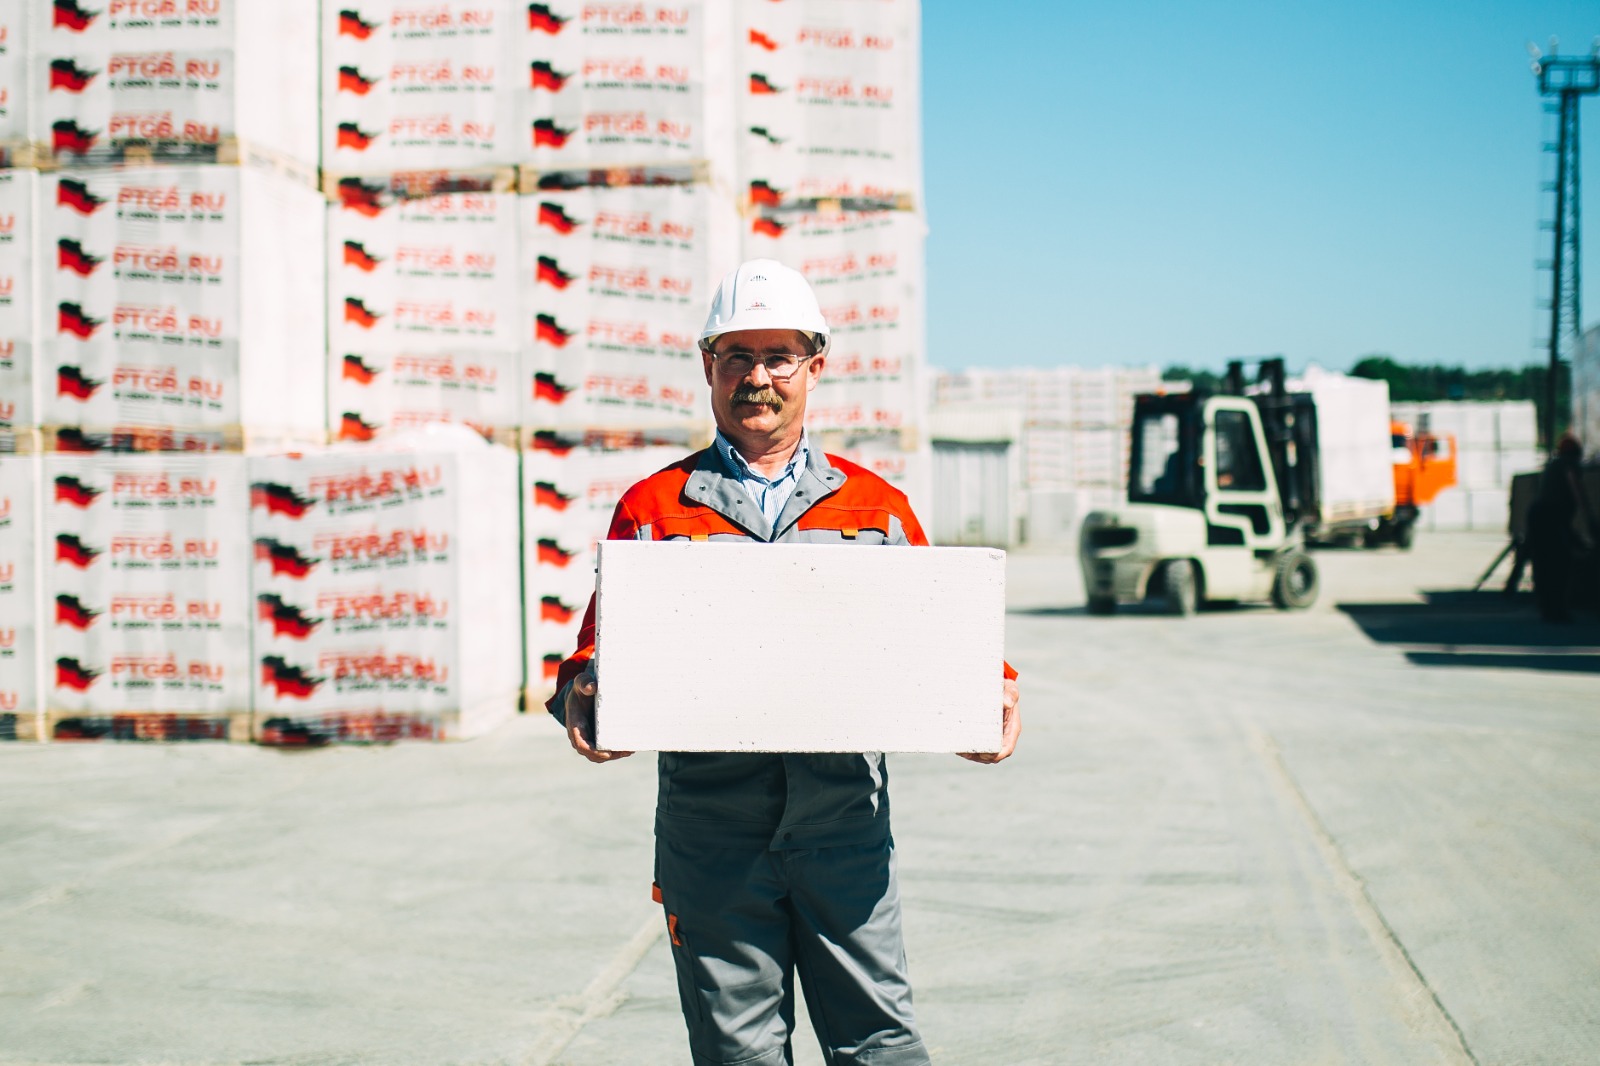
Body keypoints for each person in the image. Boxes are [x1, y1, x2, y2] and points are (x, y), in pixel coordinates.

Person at [546, 259, 1022, 1066]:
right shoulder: (653, 509)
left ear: (814, 368)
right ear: (708, 366)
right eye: (737, 356)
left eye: (779, 358)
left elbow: (944, 637)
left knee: (880, 1043)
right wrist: (585, 698)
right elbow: (596, 652)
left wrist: (989, 698)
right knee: (739, 1054)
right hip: (712, 835)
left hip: (844, 827)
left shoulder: (876, 508)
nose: (757, 378)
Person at [1527, 433, 1596, 622]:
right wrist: (1589, 516)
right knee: (1558, 564)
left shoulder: (1554, 464)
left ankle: (1548, 608)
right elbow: (1575, 487)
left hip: (1540, 516)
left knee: (1544, 564)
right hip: (1550, 517)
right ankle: (1556, 609)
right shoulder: (1568, 464)